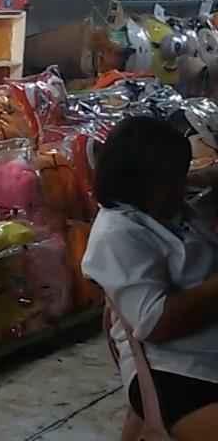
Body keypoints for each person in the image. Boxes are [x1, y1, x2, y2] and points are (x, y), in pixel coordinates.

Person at [82, 116, 218, 441]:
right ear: (142, 180)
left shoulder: (170, 211)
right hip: (176, 373)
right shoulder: (116, 234)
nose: (181, 187)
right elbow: (154, 323)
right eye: (173, 179)